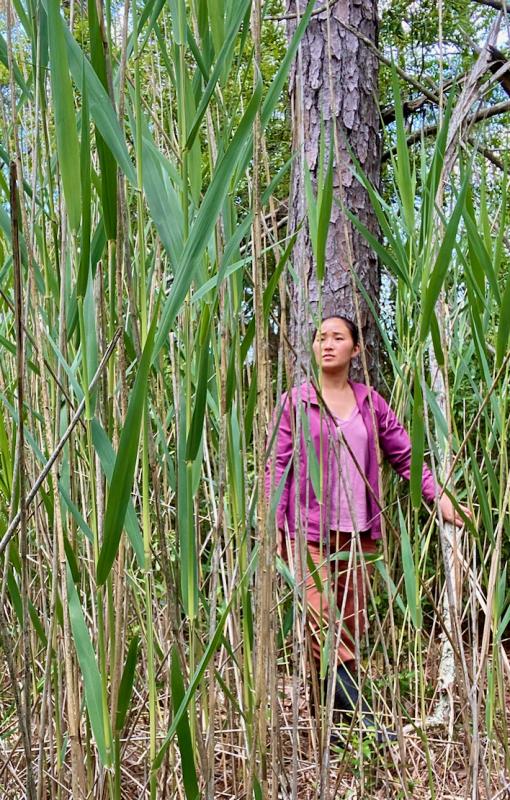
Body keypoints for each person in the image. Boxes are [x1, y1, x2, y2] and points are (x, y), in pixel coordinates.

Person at [265, 315, 468, 744]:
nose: (328, 344)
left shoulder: (370, 402)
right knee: (323, 625)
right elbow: (278, 467)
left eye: (338, 337)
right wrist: (273, 526)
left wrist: (441, 498)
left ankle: (333, 733)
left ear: (356, 349)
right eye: (321, 338)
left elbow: (406, 459)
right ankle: (364, 722)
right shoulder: (297, 402)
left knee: (348, 631)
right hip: (308, 533)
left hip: (357, 536)